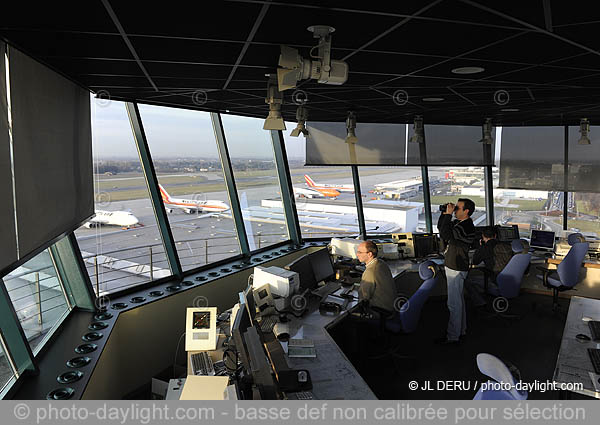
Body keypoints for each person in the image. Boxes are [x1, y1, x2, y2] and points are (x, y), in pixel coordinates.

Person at [436, 198, 476, 344]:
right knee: (458, 302)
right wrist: (444, 213)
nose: (455, 210)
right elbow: (442, 228)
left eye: (458, 208)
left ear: (466, 211)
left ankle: (452, 336)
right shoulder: (460, 223)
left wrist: (448, 215)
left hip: (456, 267)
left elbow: (446, 235)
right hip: (455, 265)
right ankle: (461, 330)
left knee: (453, 304)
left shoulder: (466, 226)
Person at [466, 227, 514, 307]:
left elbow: (475, 261)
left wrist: (480, 247)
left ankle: (481, 303)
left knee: (467, 280)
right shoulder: (507, 246)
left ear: (483, 237)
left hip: (495, 280)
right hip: (510, 280)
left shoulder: (485, 248)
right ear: (495, 236)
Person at [356, 240, 396, 319]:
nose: (357, 254)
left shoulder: (370, 271)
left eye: (360, 252)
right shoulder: (381, 263)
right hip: (392, 306)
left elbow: (363, 298)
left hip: (381, 311)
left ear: (369, 254)